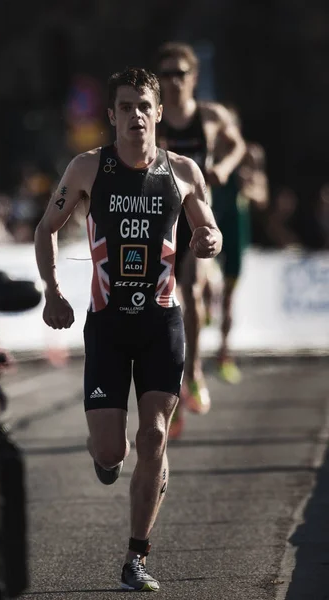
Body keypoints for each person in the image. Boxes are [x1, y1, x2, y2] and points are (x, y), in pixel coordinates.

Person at [34, 67, 222, 592]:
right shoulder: (88, 168)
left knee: (155, 437)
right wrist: (53, 290)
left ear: (159, 113)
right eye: (124, 106)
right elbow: (46, 228)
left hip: (163, 320)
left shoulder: (183, 170)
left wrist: (211, 240)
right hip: (108, 327)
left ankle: (136, 557)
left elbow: (209, 228)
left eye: (144, 105)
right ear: (110, 115)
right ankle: (110, 459)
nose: (135, 115)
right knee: (111, 451)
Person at [155, 42, 246, 436]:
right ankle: (166, 389)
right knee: (162, 303)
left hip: (195, 216)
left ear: (193, 76)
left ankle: (192, 372)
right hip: (160, 218)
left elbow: (237, 142)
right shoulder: (153, 120)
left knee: (191, 292)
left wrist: (223, 166)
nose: (173, 81)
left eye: (180, 73)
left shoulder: (209, 116)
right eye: (166, 74)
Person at [209, 110, 269, 384]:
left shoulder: (249, 155)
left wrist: (248, 188)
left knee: (229, 299)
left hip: (235, 231)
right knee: (205, 284)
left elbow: (262, 198)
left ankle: (224, 353)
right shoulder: (206, 152)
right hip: (208, 227)